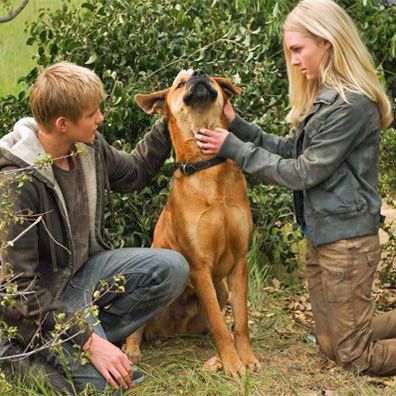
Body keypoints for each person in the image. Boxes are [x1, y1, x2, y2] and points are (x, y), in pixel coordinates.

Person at [196, 0, 394, 376]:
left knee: (354, 357)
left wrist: (232, 149)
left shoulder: (351, 105)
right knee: (329, 345)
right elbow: (292, 151)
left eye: (298, 49)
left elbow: (303, 172)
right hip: (323, 234)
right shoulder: (325, 98)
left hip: (347, 241)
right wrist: (238, 127)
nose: (294, 61)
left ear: (327, 42)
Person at [0, 61, 190, 393]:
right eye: (92, 114)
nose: (100, 119)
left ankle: (80, 342)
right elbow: (21, 291)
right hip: (38, 302)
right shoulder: (16, 182)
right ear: (62, 124)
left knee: (171, 267)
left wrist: (169, 114)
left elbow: (133, 173)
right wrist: (89, 343)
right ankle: (22, 355)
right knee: (110, 385)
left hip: (82, 275)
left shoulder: (87, 146)